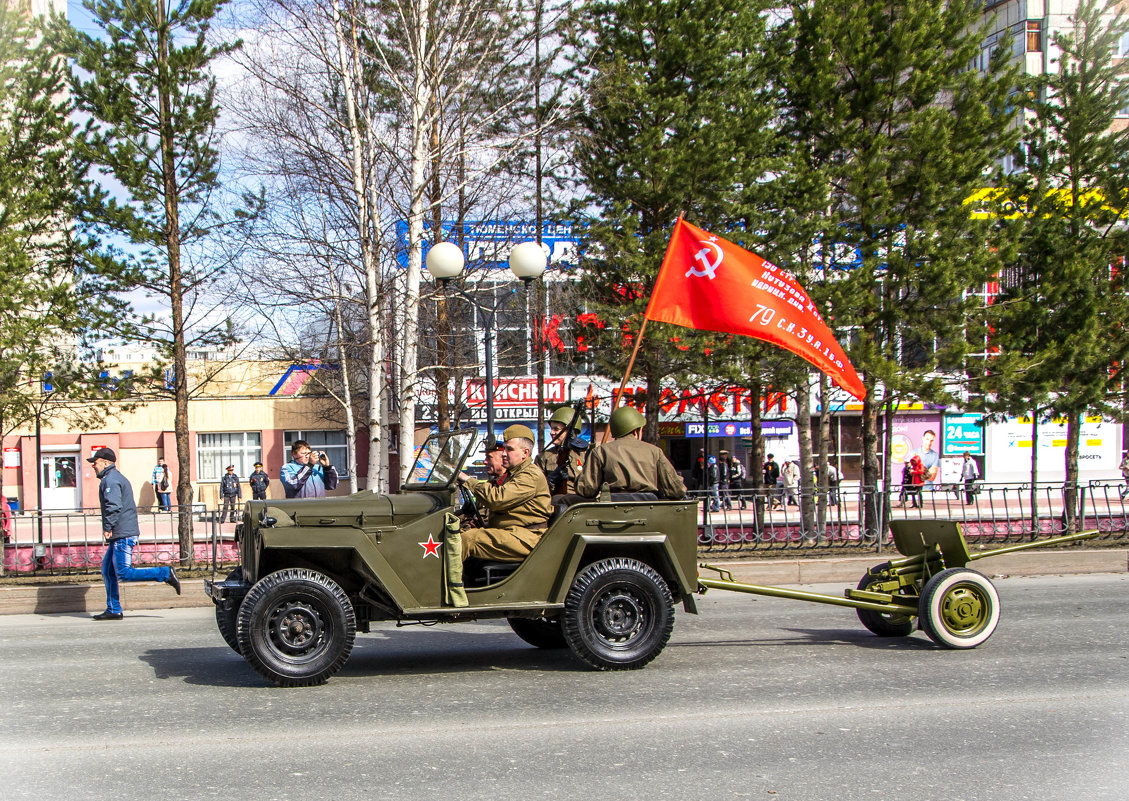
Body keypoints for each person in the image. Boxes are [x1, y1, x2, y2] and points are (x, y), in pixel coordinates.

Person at [89, 447, 180, 620]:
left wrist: (108, 527)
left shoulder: (111, 480)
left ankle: (165, 573)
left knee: (123, 572)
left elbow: (113, 506)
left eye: (96, 462)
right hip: (122, 532)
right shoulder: (113, 478)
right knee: (107, 571)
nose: (93, 465)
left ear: (106, 463)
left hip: (122, 533)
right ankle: (114, 609)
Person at [456, 424, 552, 561]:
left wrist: (466, 479)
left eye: (510, 449)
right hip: (512, 533)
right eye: (505, 449)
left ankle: (446, 582)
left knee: (468, 539)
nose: (504, 454)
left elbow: (497, 500)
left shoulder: (530, 475)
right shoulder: (513, 474)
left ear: (525, 453)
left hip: (528, 537)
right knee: (458, 534)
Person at [575, 406, 687, 500]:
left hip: (612, 512)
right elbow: (677, 490)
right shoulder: (655, 451)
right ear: (636, 430)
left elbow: (586, 490)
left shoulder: (600, 451)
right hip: (650, 511)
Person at [535, 406, 586, 495]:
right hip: (555, 502)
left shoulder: (586, 455)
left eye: (556, 429)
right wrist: (548, 481)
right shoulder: (544, 456)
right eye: (551, 428)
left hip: (582, 503)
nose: (551, 432)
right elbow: (535, 487)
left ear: (571, 432)